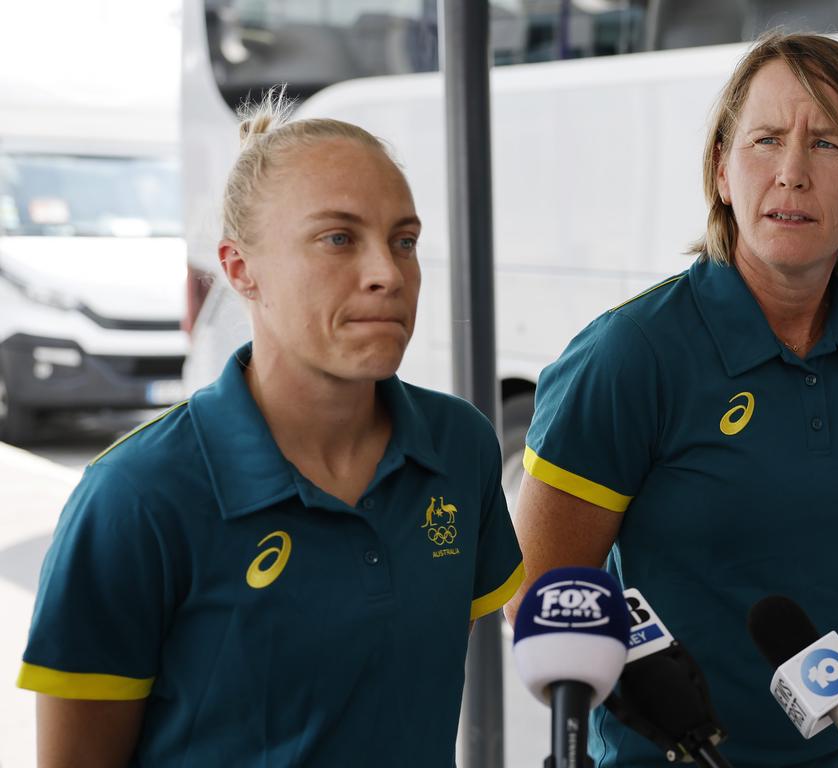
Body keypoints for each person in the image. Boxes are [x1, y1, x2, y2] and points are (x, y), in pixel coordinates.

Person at [17, 91, 523, 767]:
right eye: (338, 238)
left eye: (404, 241)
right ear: (239, 269)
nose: (388, 274)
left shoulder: (460, 445)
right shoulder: (135, 496)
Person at [506, 32, 838, 768]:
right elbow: (541, 601)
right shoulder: (630, 353)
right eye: (766, 140)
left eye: (828, 144)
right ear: (722, 172)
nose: (792, 173)